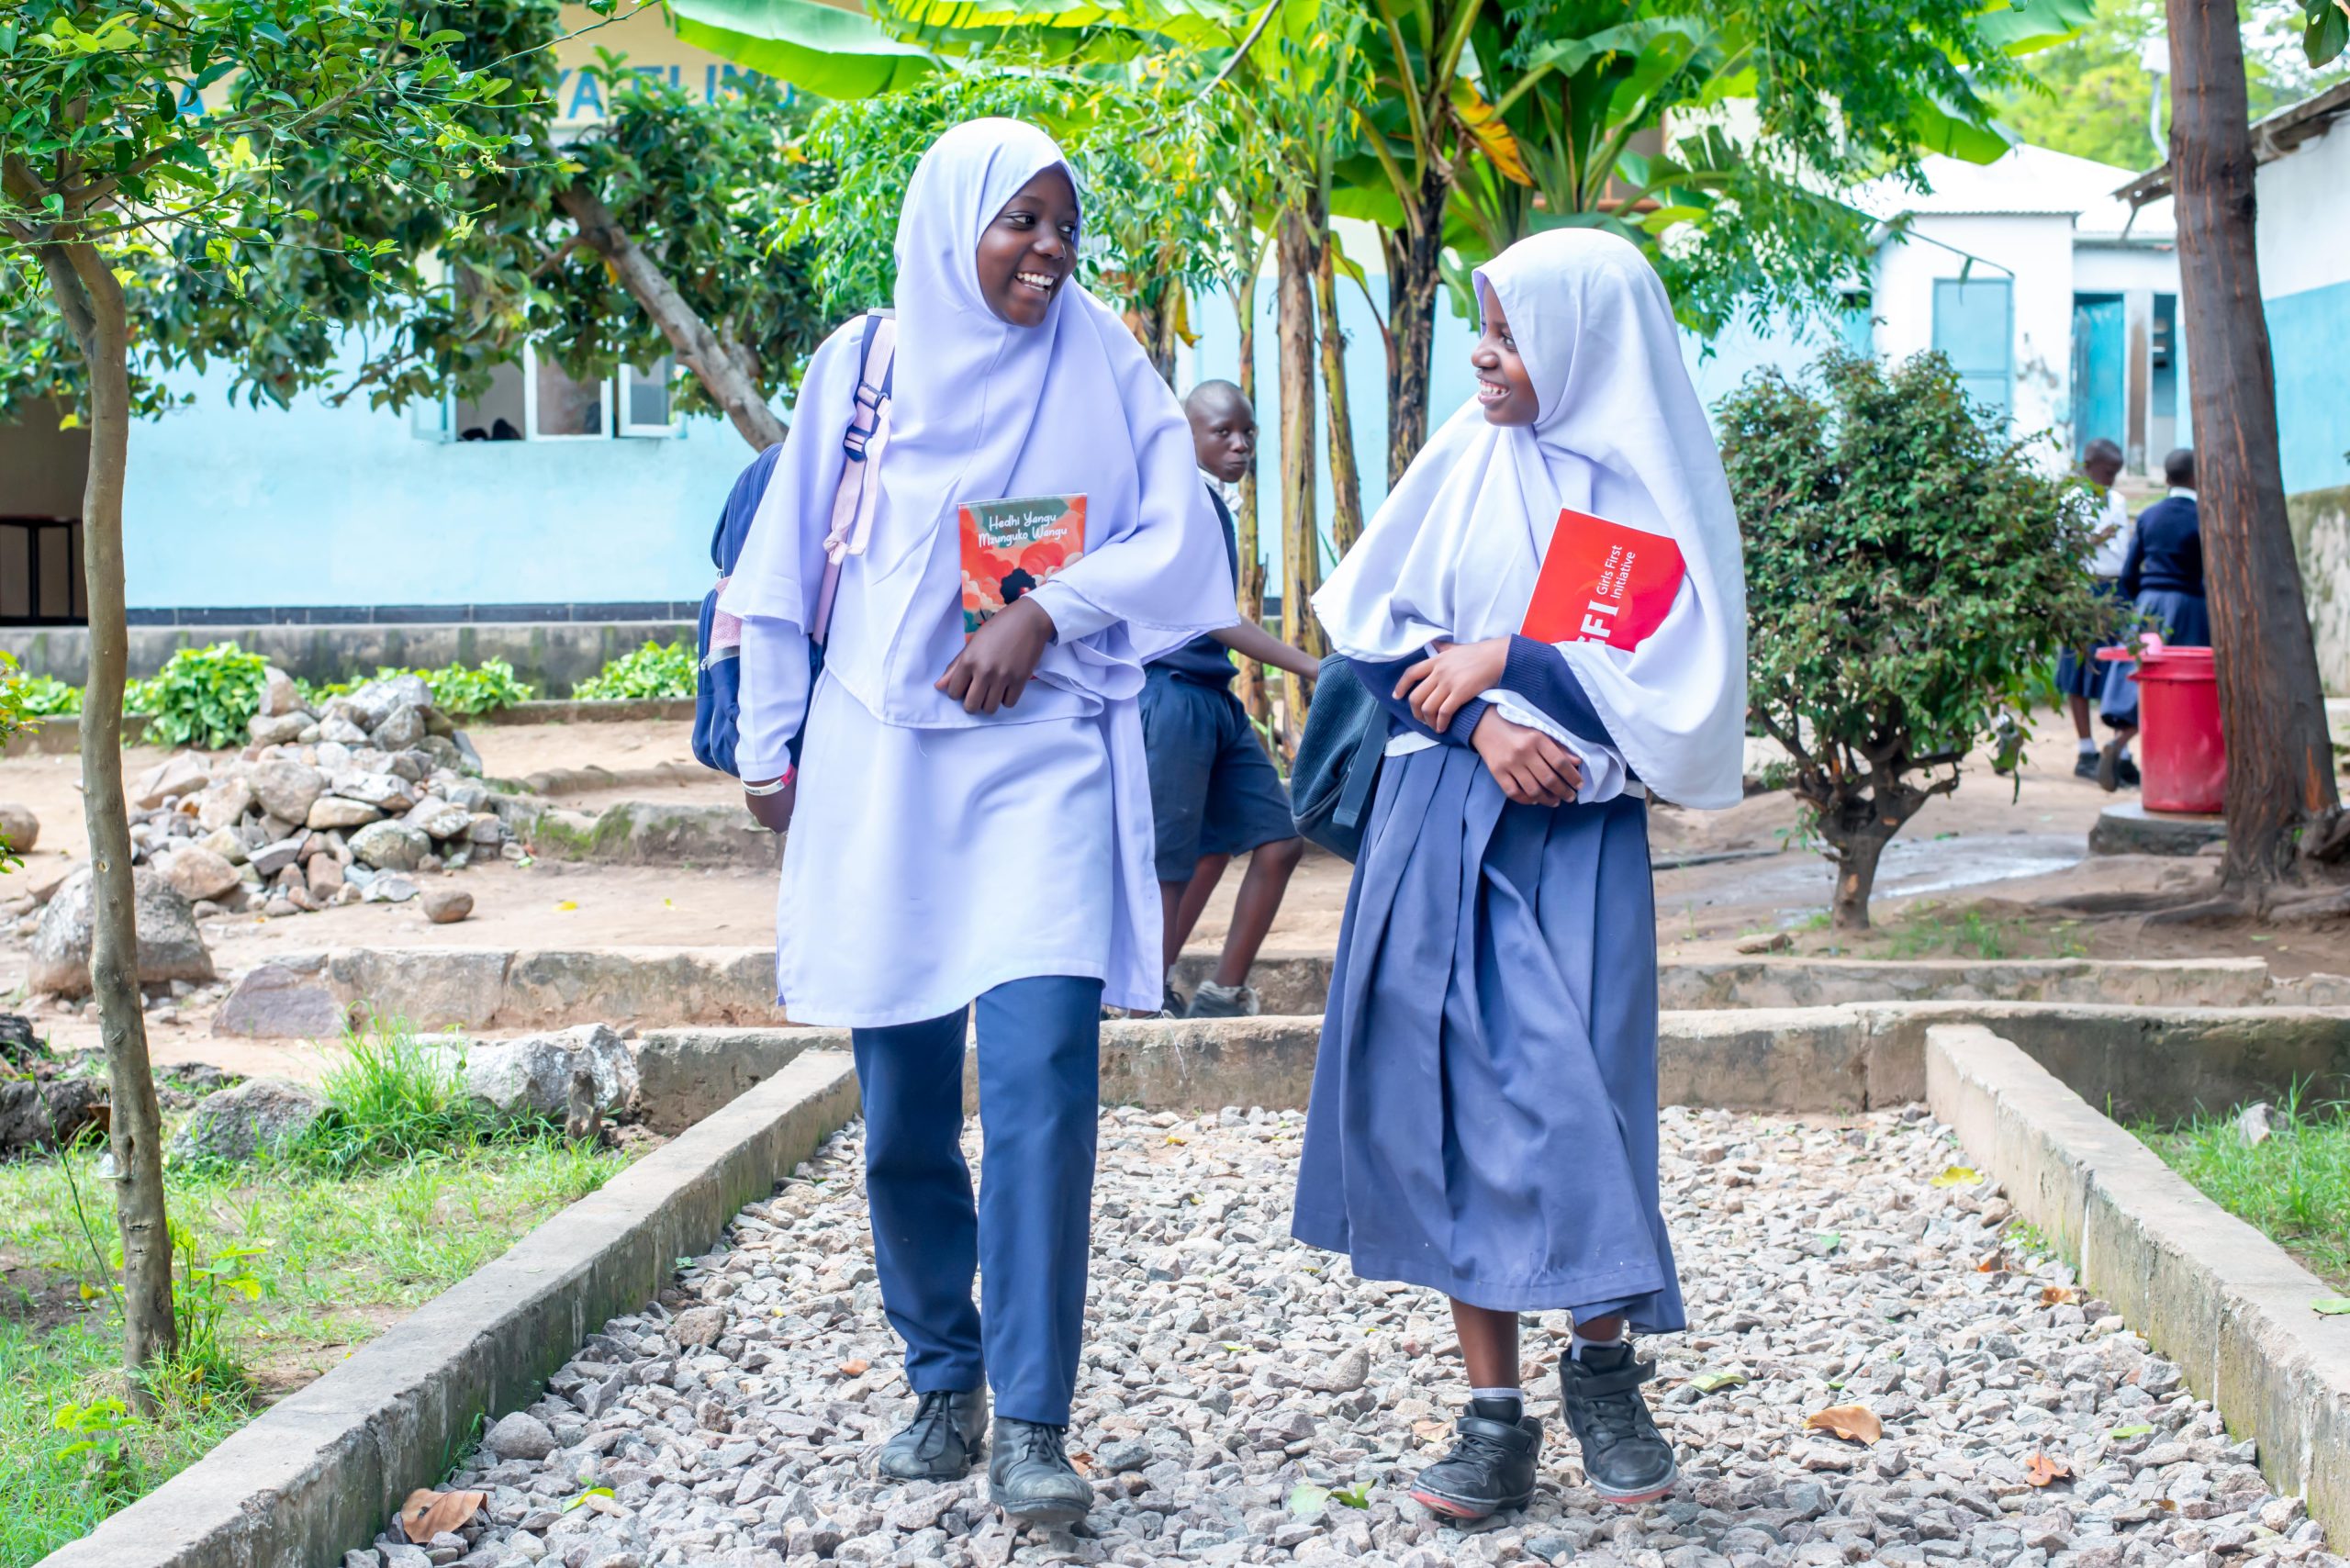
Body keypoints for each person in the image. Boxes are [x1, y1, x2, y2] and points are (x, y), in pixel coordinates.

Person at [717, 119, 1235, 1527]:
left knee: (1041, 1083)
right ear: (954, 228)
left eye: (1065, 225)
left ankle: (1033, 1421)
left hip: (1043, 764)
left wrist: (1045, 611)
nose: (1049, 251)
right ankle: (942, 1376)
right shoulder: (863, 366)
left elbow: (1180, 536)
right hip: (886, 768)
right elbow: (782, 569)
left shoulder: (1103, 359)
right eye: (1021, 221)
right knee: (900, 1111)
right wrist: (769, 747)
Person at [1294, 230, 1746, 1520]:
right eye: (1481, 331)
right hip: (1442, 817)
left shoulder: (1656, 495)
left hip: (1577, 839)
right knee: (1450, 1099)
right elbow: (1373, 635)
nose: (1483, 358)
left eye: (1509, 335)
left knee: (1585, 1097)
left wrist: (1508, 658)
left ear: (1584, 344)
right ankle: (1492, 1416)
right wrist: (1482, 716)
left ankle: (1603, 1376)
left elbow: (1684, 691)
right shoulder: (1463, 461)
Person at [1140, 379, 1319, 1017]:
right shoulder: (1178, 498)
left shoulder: (1212, 502)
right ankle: (1143, 1002)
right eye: (1223, 432)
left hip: (1212, 694)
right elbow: (1211, 615)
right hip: (1170, 693)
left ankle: (1220, 995)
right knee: (1172, 862)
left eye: (1248, 432)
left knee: (1278, 838)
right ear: (1186, 435)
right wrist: (1313, 666)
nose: (1240, 445)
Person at [2098, 447, 2206, 787]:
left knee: (2143, 677)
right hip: (2189, 607)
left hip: (2148, 606)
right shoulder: (2204, 516)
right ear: (2197, 477)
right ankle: (2179, 766)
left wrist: (2138, 604)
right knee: (2185, 685)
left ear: (2166, 478)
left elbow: (2130, 572)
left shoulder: (2149, 516)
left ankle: (2120, 742)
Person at [2055, 438, 2134, 784]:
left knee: (2120, 667)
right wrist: (2092, 541)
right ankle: (2085, 749)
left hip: (2117, 590)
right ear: (2088, 468)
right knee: (2078, 666)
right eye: (2107, 472)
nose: (2111, 479)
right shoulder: (2070, 502)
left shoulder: (2118, 501)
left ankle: (2121, 753)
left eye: (2116, 473)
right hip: (2084, 589)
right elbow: (2061, 552)